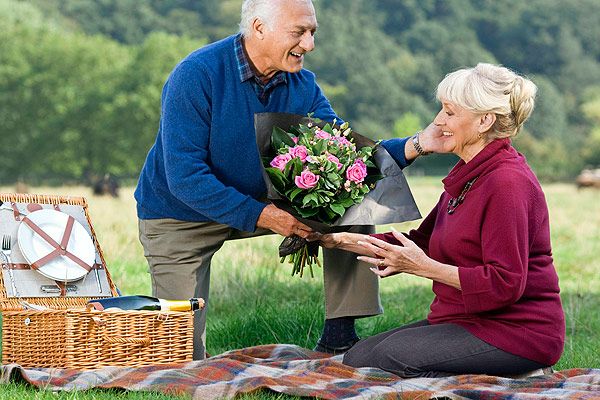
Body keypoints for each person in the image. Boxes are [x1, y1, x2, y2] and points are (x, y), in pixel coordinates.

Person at [134, 0, 442, 360]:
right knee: (181, 358)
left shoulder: (303, 86)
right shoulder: (196, 75)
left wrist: (417, 144)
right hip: (180, 215)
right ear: (259, 28)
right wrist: (265, 216)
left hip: (264, 200)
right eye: (299, 32)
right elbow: (185, 178)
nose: (309, 45)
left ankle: (339, 338)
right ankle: (184, 352)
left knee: (354, 201)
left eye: (312, 32)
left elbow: (346, 157)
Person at [313, 63, 565, 377]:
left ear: (484, 121)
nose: (438, 120)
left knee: (386, 362)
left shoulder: (507, 184)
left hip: (517, 332)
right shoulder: (469, 175)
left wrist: (421, 267)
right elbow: (419, 243)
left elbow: (505, 284)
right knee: (359, 358)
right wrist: (335, 240)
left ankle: (511, 374)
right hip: (465, 319)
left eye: (449, 112)